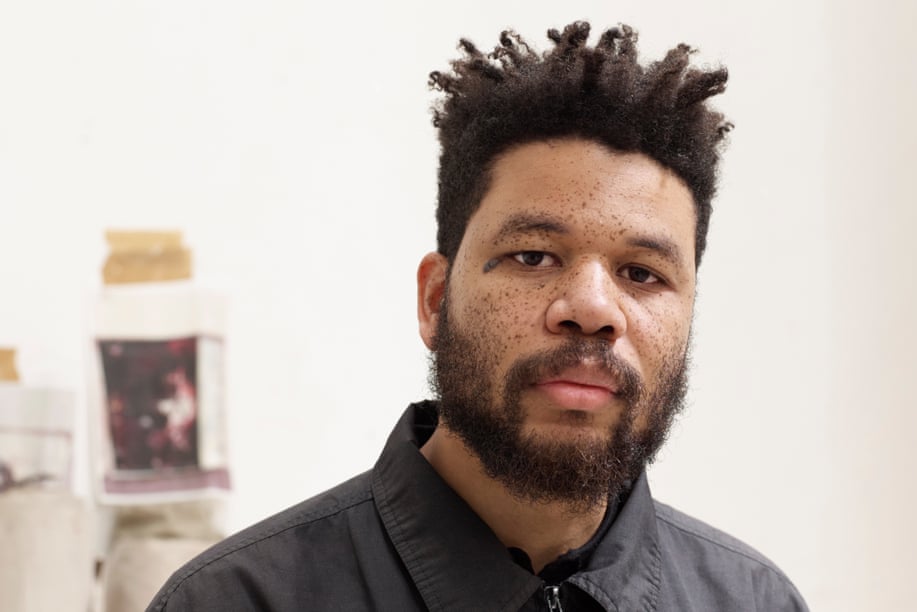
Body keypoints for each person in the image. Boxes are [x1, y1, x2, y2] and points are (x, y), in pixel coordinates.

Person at [147, 21, 809, 611]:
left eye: (642, 273)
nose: (592, 309)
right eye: (533, 256)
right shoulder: (235, 601)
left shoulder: (756, 602)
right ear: (435, 300)